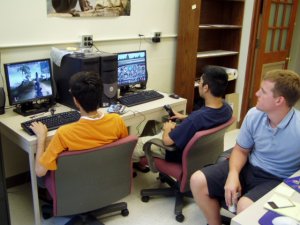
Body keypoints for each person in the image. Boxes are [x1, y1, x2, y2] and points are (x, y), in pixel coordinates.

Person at [190, 69, 300, 225]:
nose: (256, 94)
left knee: (245, 206)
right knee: (197, 180)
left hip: (277, 179)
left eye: (262, 91)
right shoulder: (254, 114)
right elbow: (241, 150)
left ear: (279, 100)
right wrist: (233, 174)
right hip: (249, 167)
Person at [30, 71, 128, 177]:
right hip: (107, 177)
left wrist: (41, 139)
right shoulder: (117, 120)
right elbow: (123, 151)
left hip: (76, 184)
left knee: (41, 179)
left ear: (76, 101)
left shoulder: (64, 133)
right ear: (100, 96)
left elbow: (39, 172)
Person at [132, 65, 233, 167]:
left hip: (176, 152)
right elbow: (207, 119)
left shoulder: (196, 119)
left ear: (206, 88)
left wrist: (167, 129)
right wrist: (185, 117)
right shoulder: (227, 108)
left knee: (132, 146)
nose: (199, 84)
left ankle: (129, 168)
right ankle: (139, 160)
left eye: (200, 82)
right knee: (152, 124)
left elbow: (167, 141)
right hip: (202, 152)